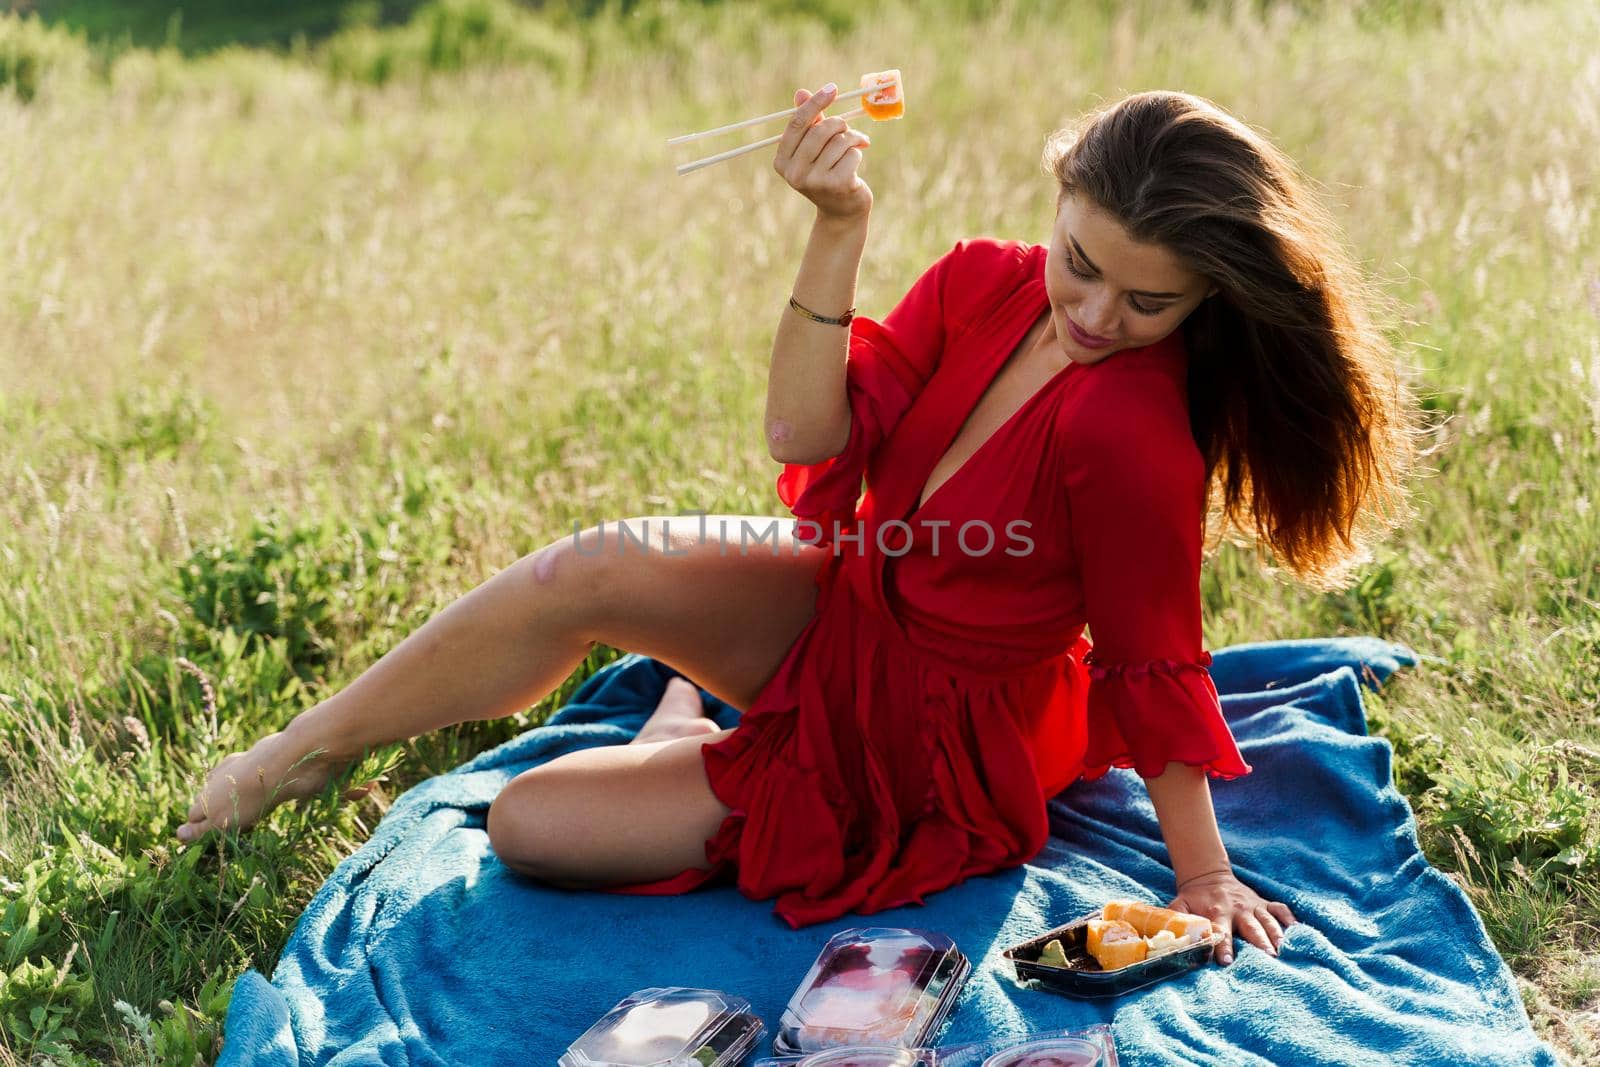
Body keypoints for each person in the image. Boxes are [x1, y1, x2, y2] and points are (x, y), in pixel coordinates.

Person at [177, 86, 1419, 966]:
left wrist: (1200, 873)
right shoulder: (986, 278)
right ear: (1058, 203)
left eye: (1149, 300)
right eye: (1079, 262)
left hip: (941, 733)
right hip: (855, 598)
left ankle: (687, 705)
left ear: (1207, 295)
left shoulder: (1132, 430)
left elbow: (1154, 655)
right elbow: (803, 440)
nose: (1093, 311)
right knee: (592, 562)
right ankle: (305, 748)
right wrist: (838, 231)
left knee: (528, 825)